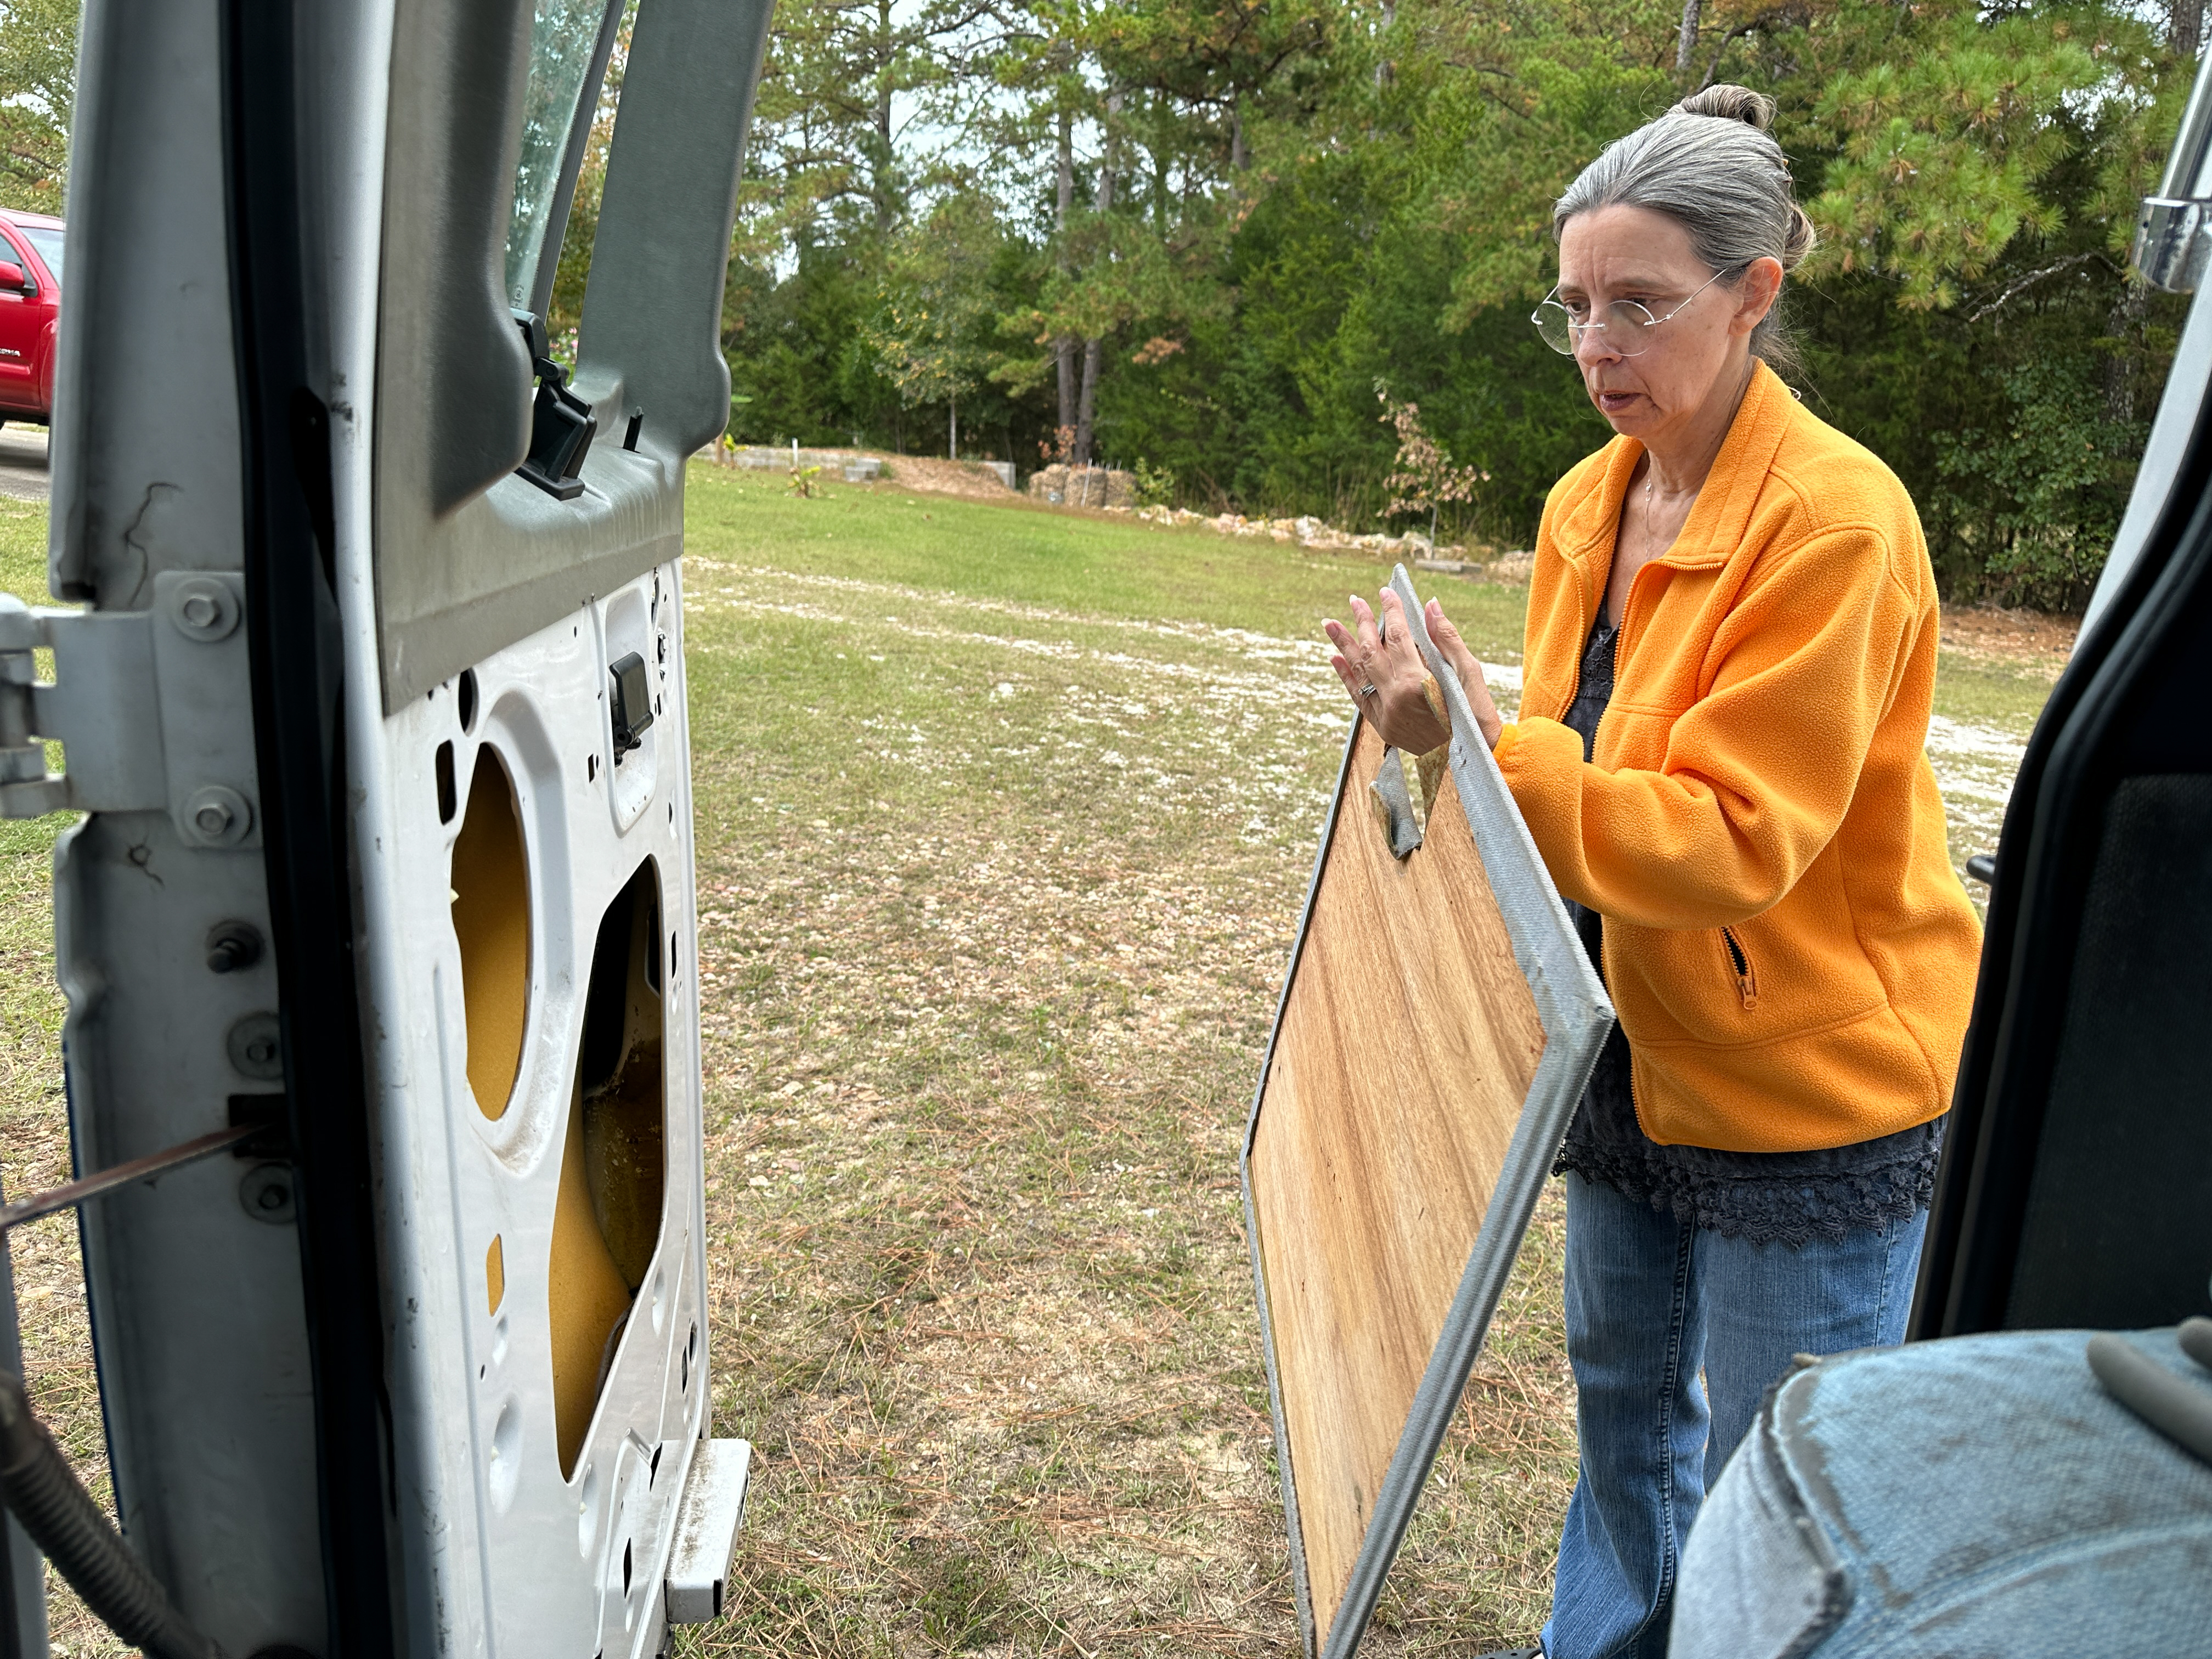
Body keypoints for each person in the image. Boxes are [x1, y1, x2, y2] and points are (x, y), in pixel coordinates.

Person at [1322, 84, 1984, 1659]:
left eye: (1638, 303)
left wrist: (1483, 743)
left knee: (1792, 1488)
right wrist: (1448, 740)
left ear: (1755, 294)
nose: (1600, 344)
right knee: (1623, 1412)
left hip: (1807, 1082)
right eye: (1573, 309)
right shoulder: (1582, 503)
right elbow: (1566, 772)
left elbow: (1731, 841)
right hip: (1624, 1049)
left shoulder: (1836, 524)